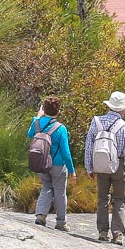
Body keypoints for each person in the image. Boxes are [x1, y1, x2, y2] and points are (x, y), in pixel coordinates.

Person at [84, 91, 125, 245]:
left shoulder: (96, 122)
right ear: (122, 109)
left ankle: (102, 231)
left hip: (100, 164)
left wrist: (89, 167)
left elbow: (89, 146)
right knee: (119, 199)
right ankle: (118, 234)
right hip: (118, 166)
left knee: (102, 198)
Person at [28, 97, 74, 231]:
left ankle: (41, 215)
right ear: (58, 111)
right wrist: (72, 170)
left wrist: (37, 118)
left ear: (44, 109)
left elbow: (30, 134)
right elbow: (66, 153)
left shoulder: (37, 124)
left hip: (41, 162)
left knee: (46, 187)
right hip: (58, 165)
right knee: (60, 192)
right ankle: (61, 222)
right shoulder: (61, 128)